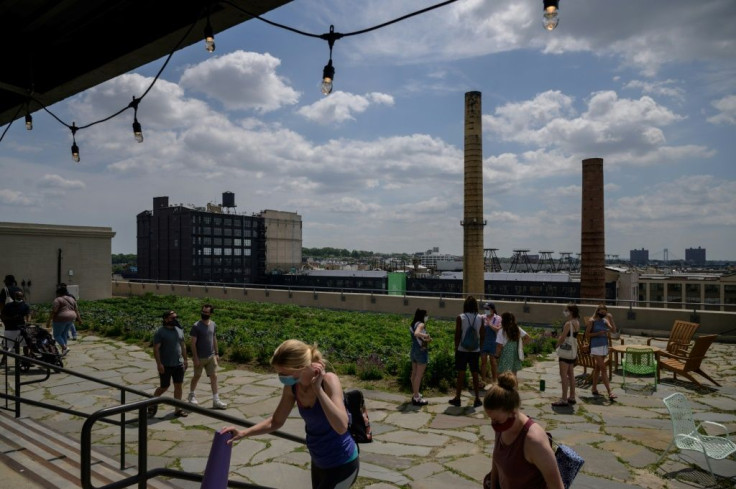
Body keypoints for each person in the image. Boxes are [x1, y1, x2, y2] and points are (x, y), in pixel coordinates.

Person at [222, 339, 359, 489]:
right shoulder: (293, 387)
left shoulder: (329, 381)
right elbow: (276, 421)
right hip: (319, 461)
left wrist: (318, 389)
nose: (280, 376)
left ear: (300, 367)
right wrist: (243, 433)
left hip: (342, 462)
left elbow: (341, 426)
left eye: (283, 372)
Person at [483, 372, 564, 489]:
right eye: (491, 419)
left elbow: (557, 486)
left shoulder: (534, 441)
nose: (493, 424)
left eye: (496, 420)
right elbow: (496, 461)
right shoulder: (502, 426)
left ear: (512, 412)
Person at [150, 310, 189, 417]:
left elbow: (183, 345)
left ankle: (178, 409)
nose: (175, 320)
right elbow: (156, 349)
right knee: (164, 387)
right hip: (166, 365)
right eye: (172, 318)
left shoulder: (179, 330)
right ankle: (152, 403)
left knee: (178, 386)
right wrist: (159, 364)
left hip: (178, 364)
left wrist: (185, 360)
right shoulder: (160, 332)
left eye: (176, 317)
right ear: (166, 319)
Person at [187, 303, 227, 409]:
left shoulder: (213, 324)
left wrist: (217, 353)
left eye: (206, 312)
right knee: (197, 376)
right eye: (203, 311)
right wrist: (195, 357)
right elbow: (193, 343)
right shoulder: (196, 326)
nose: (204, 314)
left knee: (214, 377)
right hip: (200, 357)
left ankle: (216, 400)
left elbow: (214, 339)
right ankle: (191, 395)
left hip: (211, 356)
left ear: (211, 314)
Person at [449, 296, 485, 408]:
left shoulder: (460, 317)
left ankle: (458, 398)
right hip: (475, 350)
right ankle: (477, 399)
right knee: (475, 373)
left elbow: (457, 334)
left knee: (461, 374)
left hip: (462, 349)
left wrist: (456, 347)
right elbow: (482, 335)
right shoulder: (480, 318)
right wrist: (480, 347)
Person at [585, 304, 616, 400]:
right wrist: (598, 333)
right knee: (603, 369)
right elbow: (587, 334)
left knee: (597, 368)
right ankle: (610, 392)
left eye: (604, 312)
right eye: (601, 312)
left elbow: (614, 331)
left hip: (604, 346)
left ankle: (594, 388)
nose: (603, 313)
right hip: (595, 347)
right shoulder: (592, 321)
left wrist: (611, 319)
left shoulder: (605, 321)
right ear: (597, 311)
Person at [552, 304, 580, 407]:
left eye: (566, 310)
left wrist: (556, 345)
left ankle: (564, 398)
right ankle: (572, 396)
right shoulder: (577, 322)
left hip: (565, 352)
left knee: (563, 375)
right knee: (571, 374)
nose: (565, 312)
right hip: (572, 352)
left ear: (571, 312)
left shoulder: (568, 323)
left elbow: (563, 337)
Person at [495, 312, 530, 379]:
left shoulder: (502, 331)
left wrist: (496, 355)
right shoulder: (517, 328)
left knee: (502, 375)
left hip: (505, 354)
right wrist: (521, 346)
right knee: (514, 375)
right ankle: (515, 389)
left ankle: (504, 389)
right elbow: (528, 338)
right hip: (515, 354)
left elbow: (499, 346)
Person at [49, 285, 81, 356]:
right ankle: (64, 350)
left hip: (60, 318)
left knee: (57, 335)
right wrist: (79, 319)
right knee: (64, 334)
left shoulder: (58, 299)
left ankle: (64, 347)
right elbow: (76, 310)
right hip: (71, 318)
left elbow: (54, 310)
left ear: (58, 293)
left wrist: (48, 320)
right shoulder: (72, 299)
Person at [409, 308, 431, 406]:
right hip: (421, 352)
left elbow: (415, 336)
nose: (427, 317)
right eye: (426, 315)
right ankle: (417, 397)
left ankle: (415, 393)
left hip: (413, 350)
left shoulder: (413, 324)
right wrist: (426, 336)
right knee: (419, 375)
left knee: (414, 374)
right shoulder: (421, 324)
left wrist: (425, 338)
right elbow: (417, 333)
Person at [1, 290, 31, 357]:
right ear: (14, 296)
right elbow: (2, 315)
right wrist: (10, 318)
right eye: (17, 296)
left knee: (25, 344)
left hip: (21, 328)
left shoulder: (25, 305)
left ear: (22, 297)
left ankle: (27, 359)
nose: (19, 297)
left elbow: (28, 314)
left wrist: (28, 321)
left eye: (20, 296)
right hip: (10, 328)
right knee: (7, 346)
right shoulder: (8, 305)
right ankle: (4, 359)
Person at [480, 302, 501, 385]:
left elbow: (498, 329)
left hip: (493, 342)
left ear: (492, 309)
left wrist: (490, 324)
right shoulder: (482, 317)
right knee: (483, 362)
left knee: (493, 362)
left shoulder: (498, 318)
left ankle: (494, 380)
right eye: (485, 309)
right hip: (483, 342)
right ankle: (483, 380)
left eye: (487, 309)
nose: (486, 310)